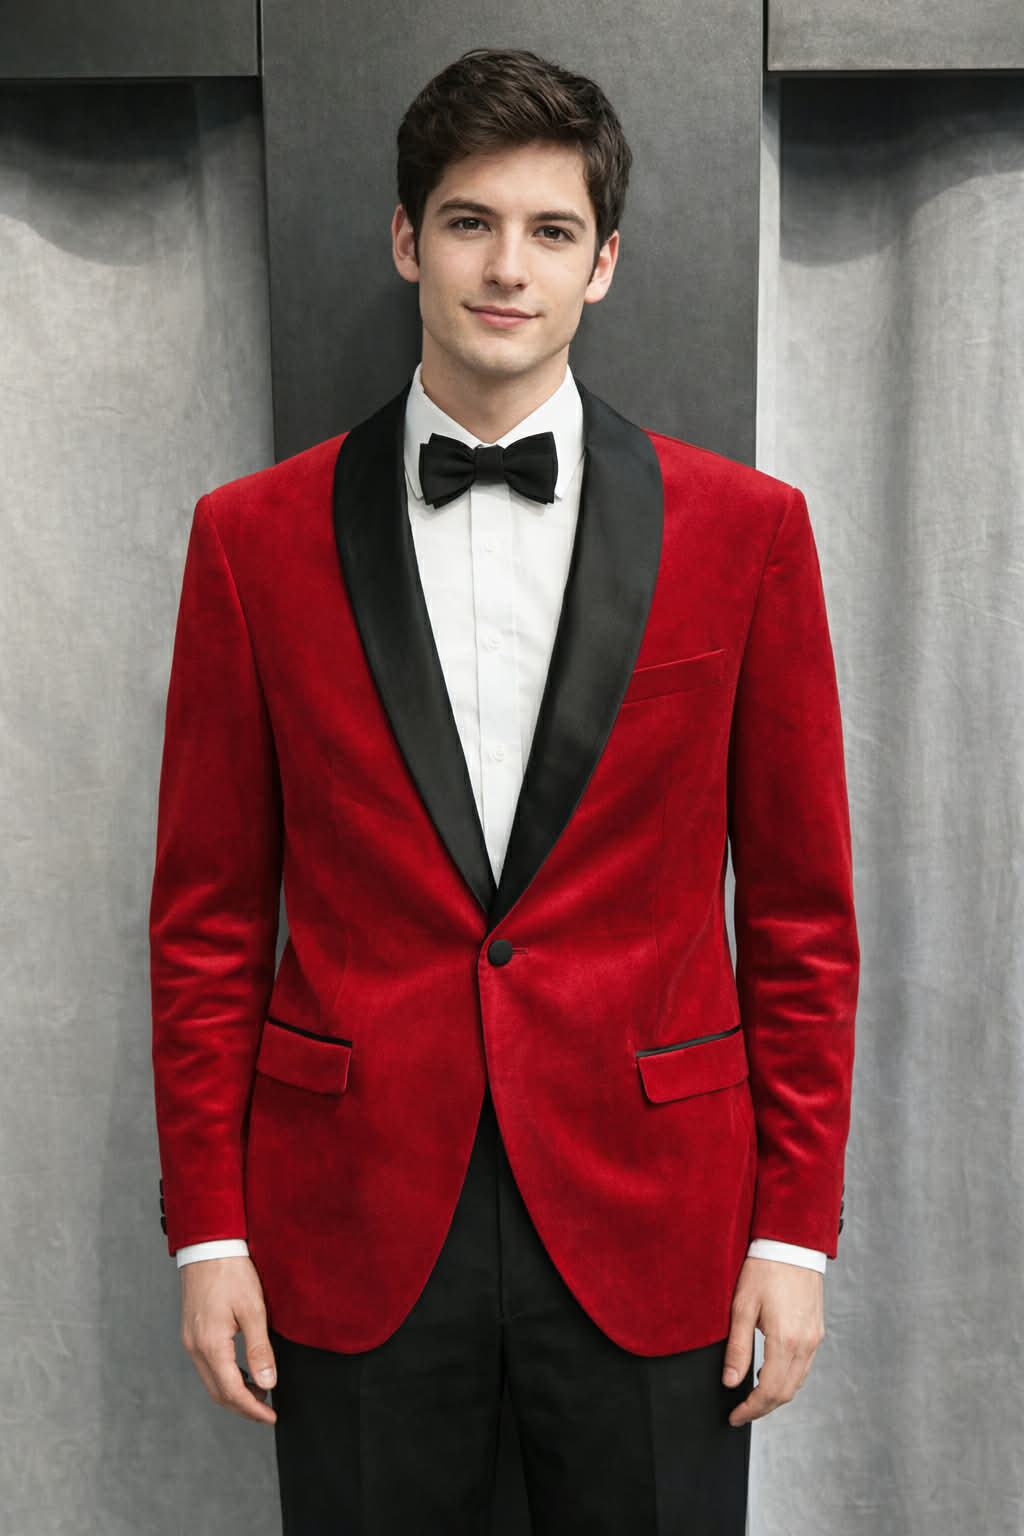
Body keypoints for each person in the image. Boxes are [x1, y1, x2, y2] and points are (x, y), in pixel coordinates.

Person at [151, 46, 858, 1535]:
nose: (506, 268)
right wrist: (207, 1228)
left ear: (604, 264)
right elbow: (208, 919)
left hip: (655, 1215)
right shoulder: (249, 541)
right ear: (408, 241)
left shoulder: (749, 535)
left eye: (551, 231)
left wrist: (795, 1235)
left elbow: (802, 920)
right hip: (351, 1216)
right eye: (470, 222)